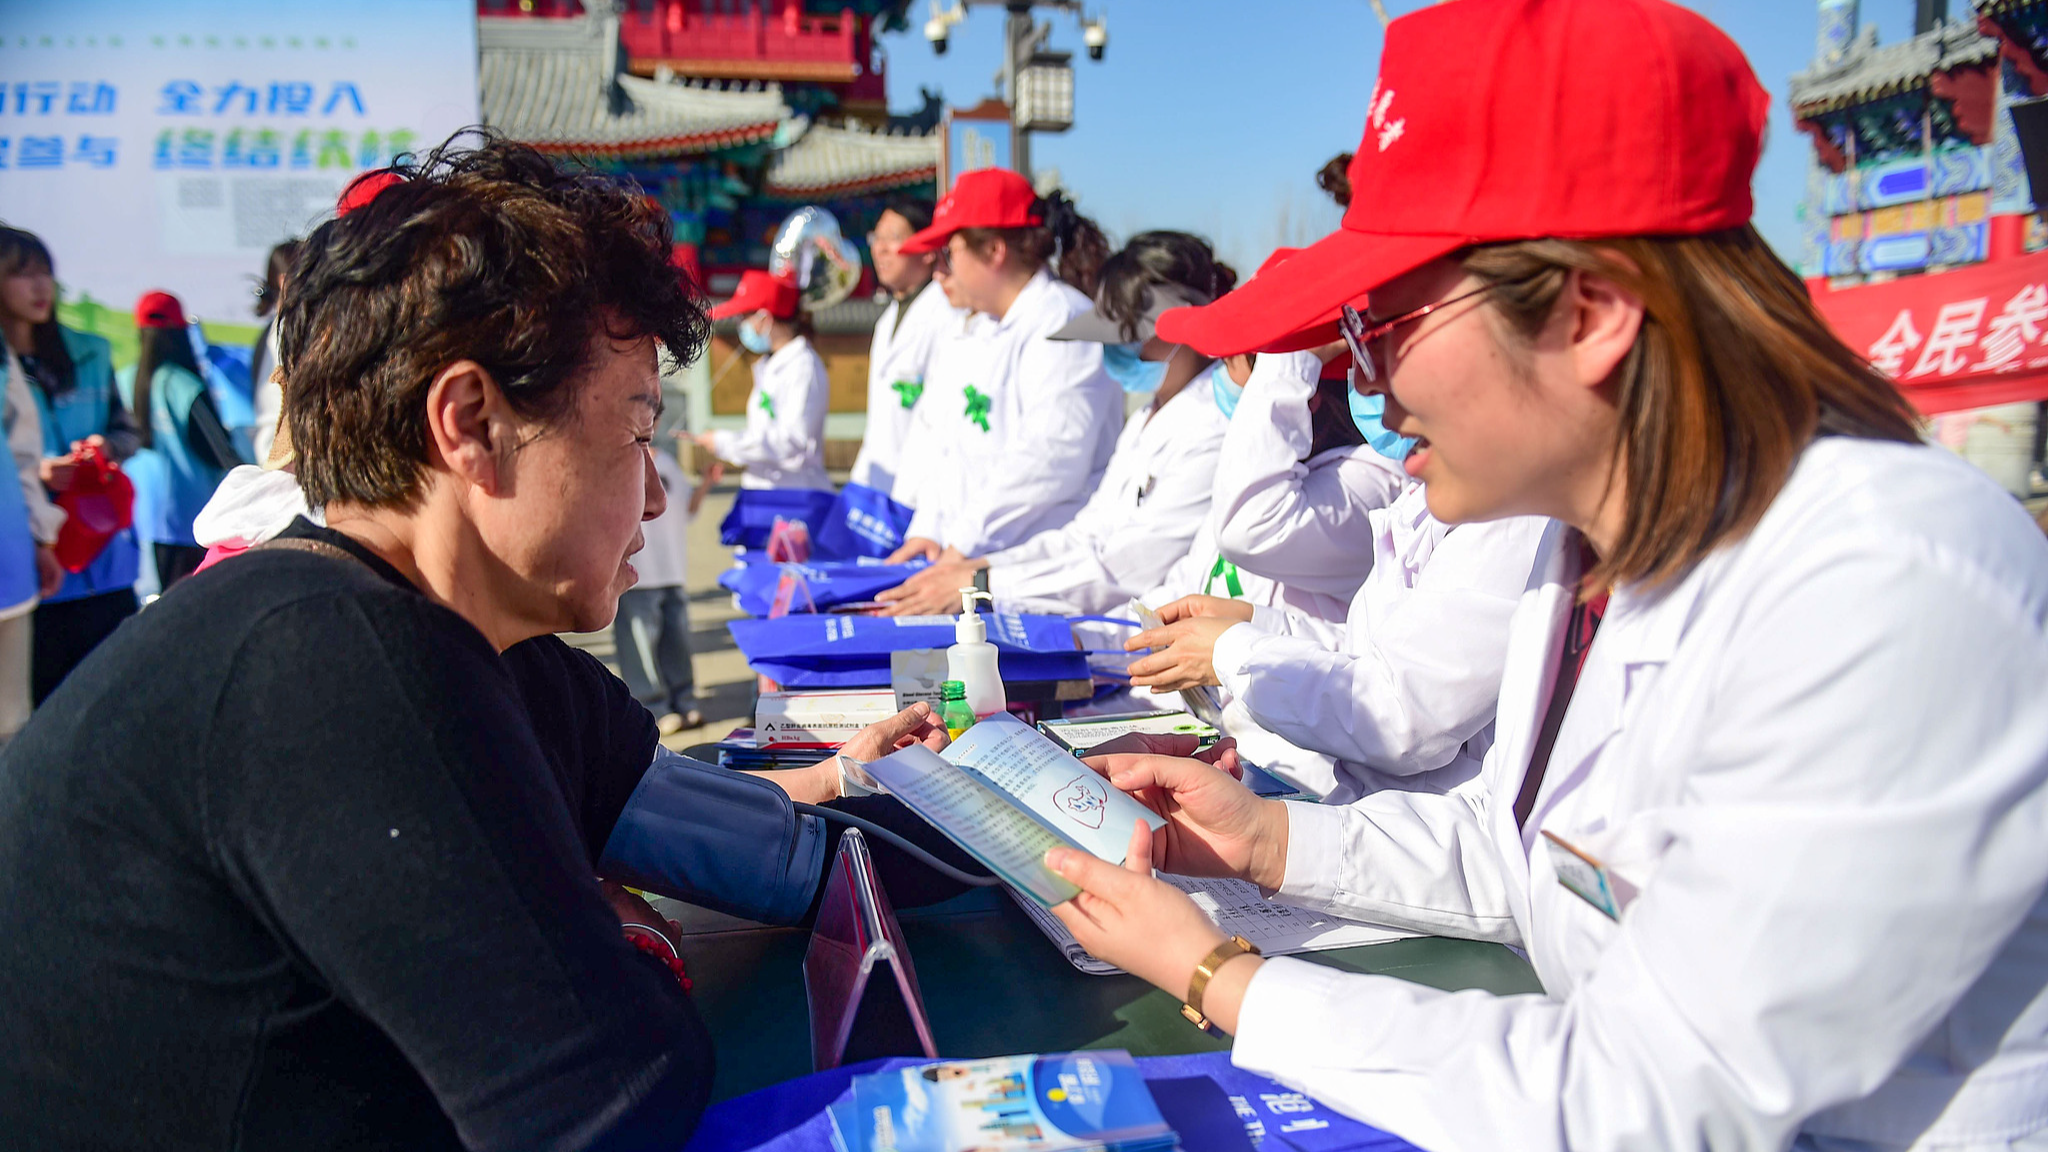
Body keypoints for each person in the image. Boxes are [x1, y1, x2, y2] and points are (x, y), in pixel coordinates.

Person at [1045, 1, 2048, 1148]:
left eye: (1382, 323)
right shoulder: (1590, 552)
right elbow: (1537, 859)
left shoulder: (1881, 589)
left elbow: (1658, 1097)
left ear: (1592, 310)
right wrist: (1265, 842)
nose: (1366, 380)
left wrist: (1222, 976)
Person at [0, 134, 976, 1151]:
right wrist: (624, 927)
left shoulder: (468, 642)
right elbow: (614, 1094)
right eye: (638, 432)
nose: (654, 495)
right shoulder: (325, 664)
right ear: (469, 420)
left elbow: (760, 853)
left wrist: (1052, 828)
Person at [876, 231, 1234, 617]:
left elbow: (1124, 568)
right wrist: (982, 569)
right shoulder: (1147, 419)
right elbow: (1086, 535)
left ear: (1185, 327)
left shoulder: (1213, 429)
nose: (1117, 351)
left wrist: (985, 584)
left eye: (1131, 337)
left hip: (1140, 631)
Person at [885, 168, 1120, 562]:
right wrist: (929, 529)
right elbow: (950, 446)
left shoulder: (1063, 322)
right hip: (971, 558)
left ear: (994, 251)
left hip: (1034, 565)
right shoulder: (985, 330)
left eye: (949, 252)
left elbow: (1049, 458)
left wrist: (962, 542)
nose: (940, 269)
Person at [0, 227, 140, 703]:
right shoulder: (6, 365)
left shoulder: (91, 352)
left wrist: (107, 447)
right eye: (22, 274)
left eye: (45, 273)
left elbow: (129, 431)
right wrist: (37, 471)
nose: (40, 287)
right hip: (34, 570)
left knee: (117, 700)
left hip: (104, 557)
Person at [119, 289, 245, 589]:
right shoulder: (184, 385)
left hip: (144, 514)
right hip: (192, 517)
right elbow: (218, 451)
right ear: (181, 332)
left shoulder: (125, 378)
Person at [849, 196, 962, 499]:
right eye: (877, 237)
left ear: (926, 249)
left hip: (924, 496)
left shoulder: (947, 316)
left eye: (893, 238)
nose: (879, 248)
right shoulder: (887, 320)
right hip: (881, 489)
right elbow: (878, 423)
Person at [696, 269, 831, 491]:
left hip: (793, 496)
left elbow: (793, 442)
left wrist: (726, 443)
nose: (741, 325)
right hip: (766, 492)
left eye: (744, 317)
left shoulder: (803, 367)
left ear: (765, 318)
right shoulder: (770, 364)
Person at [614, 440, 705, 735]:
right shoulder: (616, 456)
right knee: (640, 643)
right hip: (639, 571)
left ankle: (683, 699)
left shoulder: (667, 463)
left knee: (676, 640)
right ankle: (653, 707)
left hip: (672, 570)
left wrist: (706, 484)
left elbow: (686, 508)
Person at [248, 238, 299, 465]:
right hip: (285, 451)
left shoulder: (270, 331)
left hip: (269, 446)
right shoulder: (289, 328)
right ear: (284, 281)